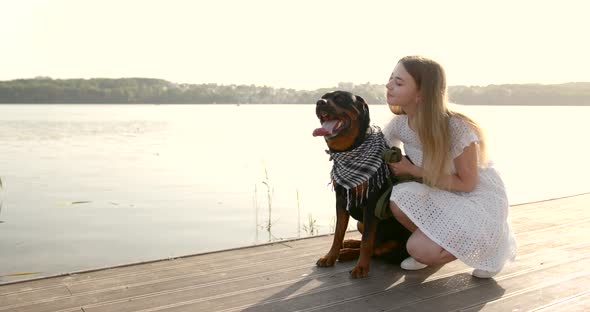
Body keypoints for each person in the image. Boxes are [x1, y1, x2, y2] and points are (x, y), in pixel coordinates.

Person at [382, 55, 516, 278]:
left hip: (477, 199)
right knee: (399, 198)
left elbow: (467, 184)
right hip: (442, 192)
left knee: (418, 248)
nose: (388, 86)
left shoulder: (456, 127)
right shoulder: (400, 124)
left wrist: (414, 171)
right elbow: (377, 147)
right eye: (390, 79)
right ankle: (438, 246)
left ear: (421, 93)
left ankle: (492, 246)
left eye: (398, 82)